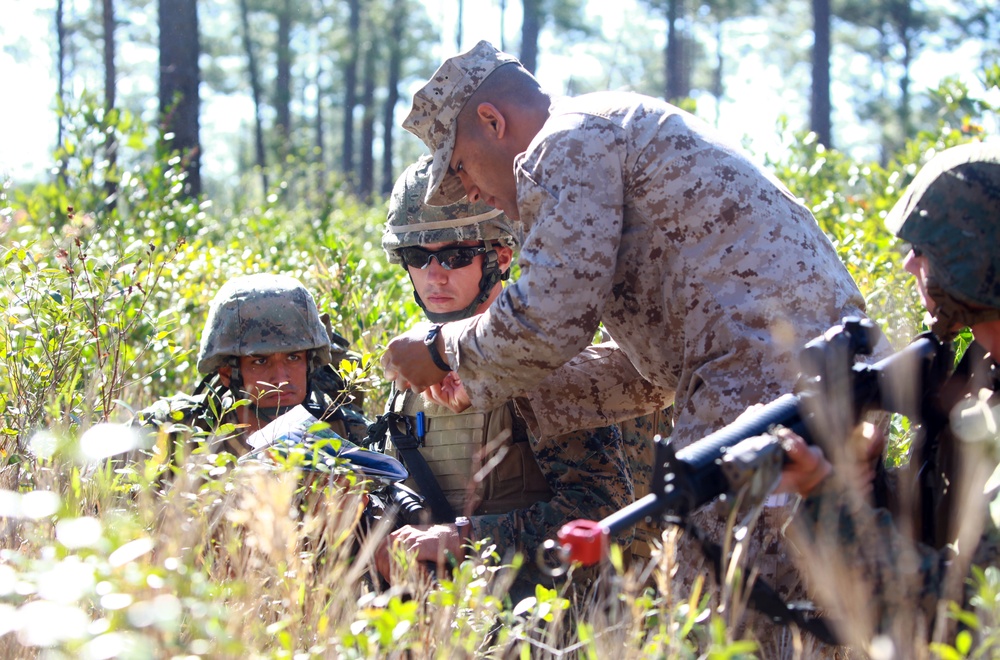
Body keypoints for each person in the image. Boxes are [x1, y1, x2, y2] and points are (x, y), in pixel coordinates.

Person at [379, 40, 884, 651]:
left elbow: (546, 320)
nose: (471, 191)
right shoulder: (610, 131)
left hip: (757, 384)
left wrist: (439, 351)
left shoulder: (563, 143)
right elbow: (654, 371)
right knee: (790, 610)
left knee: (728, 615)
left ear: (493, 121)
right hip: (803, 374)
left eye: (460, 167)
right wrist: (513, 393)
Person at [371, 156, 634, 597]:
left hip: (542, 626)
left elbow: (605, 517)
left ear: (501, 256)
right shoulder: (406, 377)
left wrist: (463, 539)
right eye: (417, 256)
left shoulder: (546, 363)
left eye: (455, 256)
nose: (434, 275)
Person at [776, 142, 1000, 648]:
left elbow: (960, 615)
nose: (907, 266)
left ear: (972, 257)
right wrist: (869, 483)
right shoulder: (981, 374)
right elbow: (949, 534)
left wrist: (824, 498)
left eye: (921, 251)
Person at [137, 273, 369, 459]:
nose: (281, 378)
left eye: (293, 358)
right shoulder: (175, 431)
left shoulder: (347, 432)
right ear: (227, 373)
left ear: (309, 363)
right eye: (260, 361)